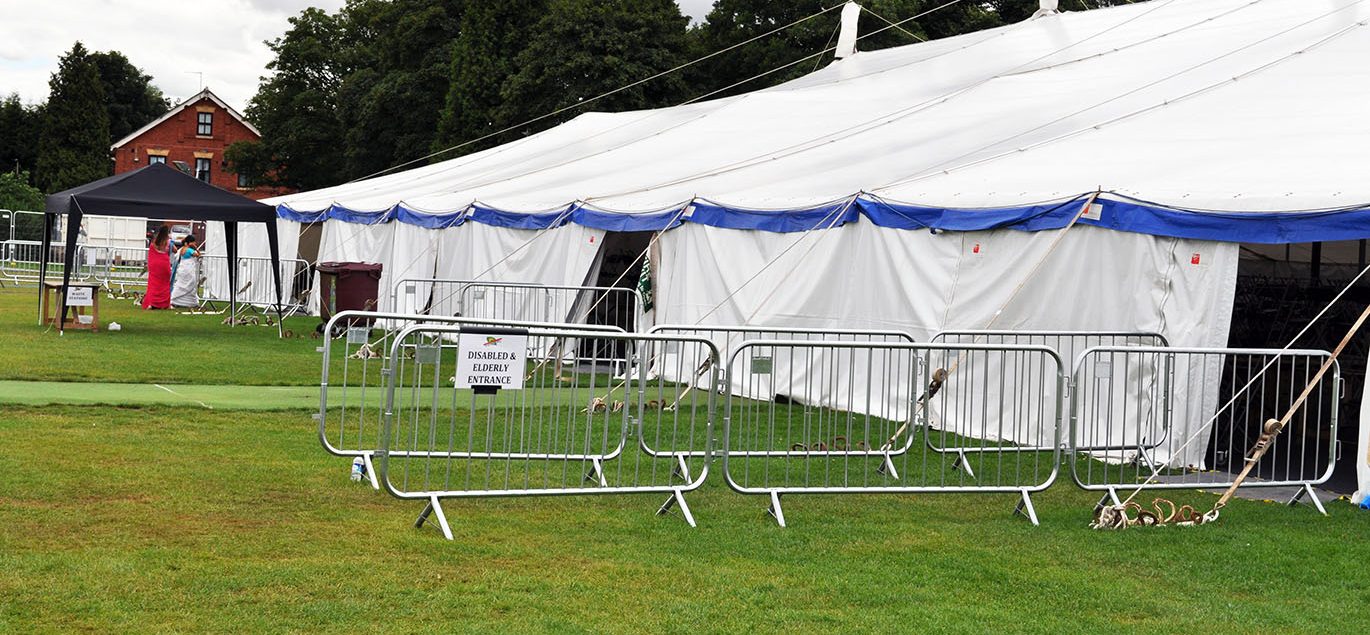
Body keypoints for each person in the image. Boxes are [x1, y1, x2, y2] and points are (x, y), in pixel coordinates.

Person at [140, 226, 172, 309]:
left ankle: (151, 302)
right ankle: (165, 303)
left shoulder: (155, 241)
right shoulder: (167, 241)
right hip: (164, 263)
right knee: (165, 284)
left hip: (155, 264)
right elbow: (174, 249)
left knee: (153, 284)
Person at [170, 235, 202, 308]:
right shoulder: (190, 250)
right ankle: (189, 302)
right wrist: (196, 249)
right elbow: (198, 255)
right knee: (191, 283)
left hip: (182, 268)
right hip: (188, 269)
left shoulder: (181, 249)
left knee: (180, 284)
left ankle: (175, 300)